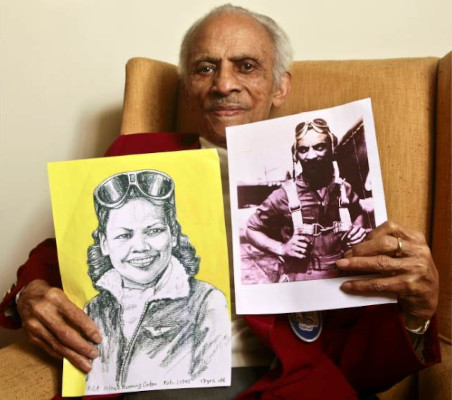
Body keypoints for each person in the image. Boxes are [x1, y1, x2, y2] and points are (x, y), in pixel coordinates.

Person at [0, 4, 440, 399]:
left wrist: (417, 314)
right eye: (205, 67)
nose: (223, 83)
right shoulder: (138, 155)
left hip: (280, 382)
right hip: (149, 378)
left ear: (280, 86)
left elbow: (364, 368)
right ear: (188, 85)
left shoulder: (341, 189)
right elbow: (64, 254)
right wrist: (29, 296)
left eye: (246, 66)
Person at [84, 170, 229, 393]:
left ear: (173, 235)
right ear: (104, 243)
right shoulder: (94, 309)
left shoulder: (206, 303)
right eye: (124, 235)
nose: (141, 246)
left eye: (154, 230)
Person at [246, 118, 367, 282]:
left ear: (331, 150)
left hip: (344, 274)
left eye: (319, 147)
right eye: (303, 150)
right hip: (302, 279)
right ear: (296, 155)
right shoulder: (283, 195)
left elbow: (358, 211)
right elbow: (252, 229)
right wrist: (281, 248)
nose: (310, 156)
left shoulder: (343, 189)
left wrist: (357, 230)